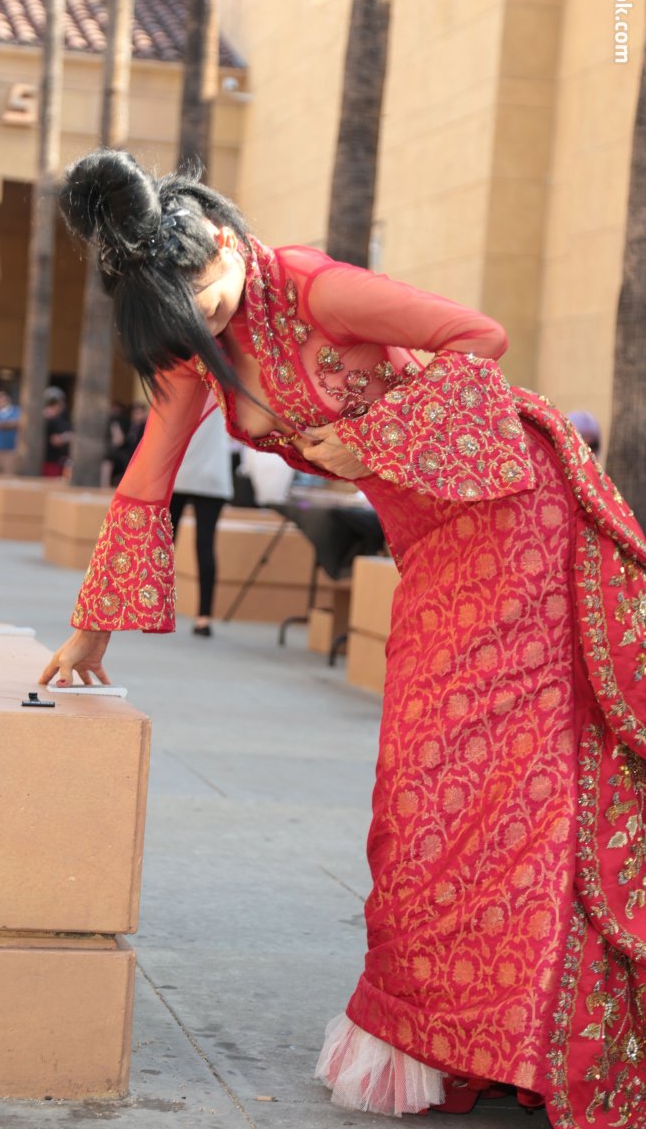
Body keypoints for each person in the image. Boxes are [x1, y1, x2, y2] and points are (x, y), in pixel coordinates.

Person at [40, 150, 646, 1128]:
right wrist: (88, 632)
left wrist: (374, 441)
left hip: (512, 513)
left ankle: (531, 1037)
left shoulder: (315, 287)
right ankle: (470, 1034)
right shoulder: (191, 338)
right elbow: (148, 476)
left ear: (223, 243)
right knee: (430, 791)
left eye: (201, 298)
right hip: (434, 548)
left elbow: (478, 337)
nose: (198, 325)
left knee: (505, 784)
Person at [169, 404, 234, 636]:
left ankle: (153, 610)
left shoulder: (184, 386)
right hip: (214, 474)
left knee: (165, 544)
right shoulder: (228, 388)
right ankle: (203, 618)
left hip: (179, 470)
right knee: (205, 545)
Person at [42, 387, 72, 477]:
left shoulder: (59, 418)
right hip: (50, 461)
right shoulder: (52, 420)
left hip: (55, 460)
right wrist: (69, 437)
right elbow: (55, 441)